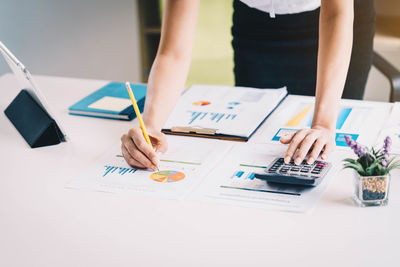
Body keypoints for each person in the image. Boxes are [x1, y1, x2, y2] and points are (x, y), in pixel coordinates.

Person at [121, 0, 375, 171]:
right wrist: (151, 126)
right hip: (256, 25)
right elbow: (172, 52)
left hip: (336, 19)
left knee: (329, 153)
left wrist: (323, 124)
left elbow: (336, 13)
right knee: (257, 152)